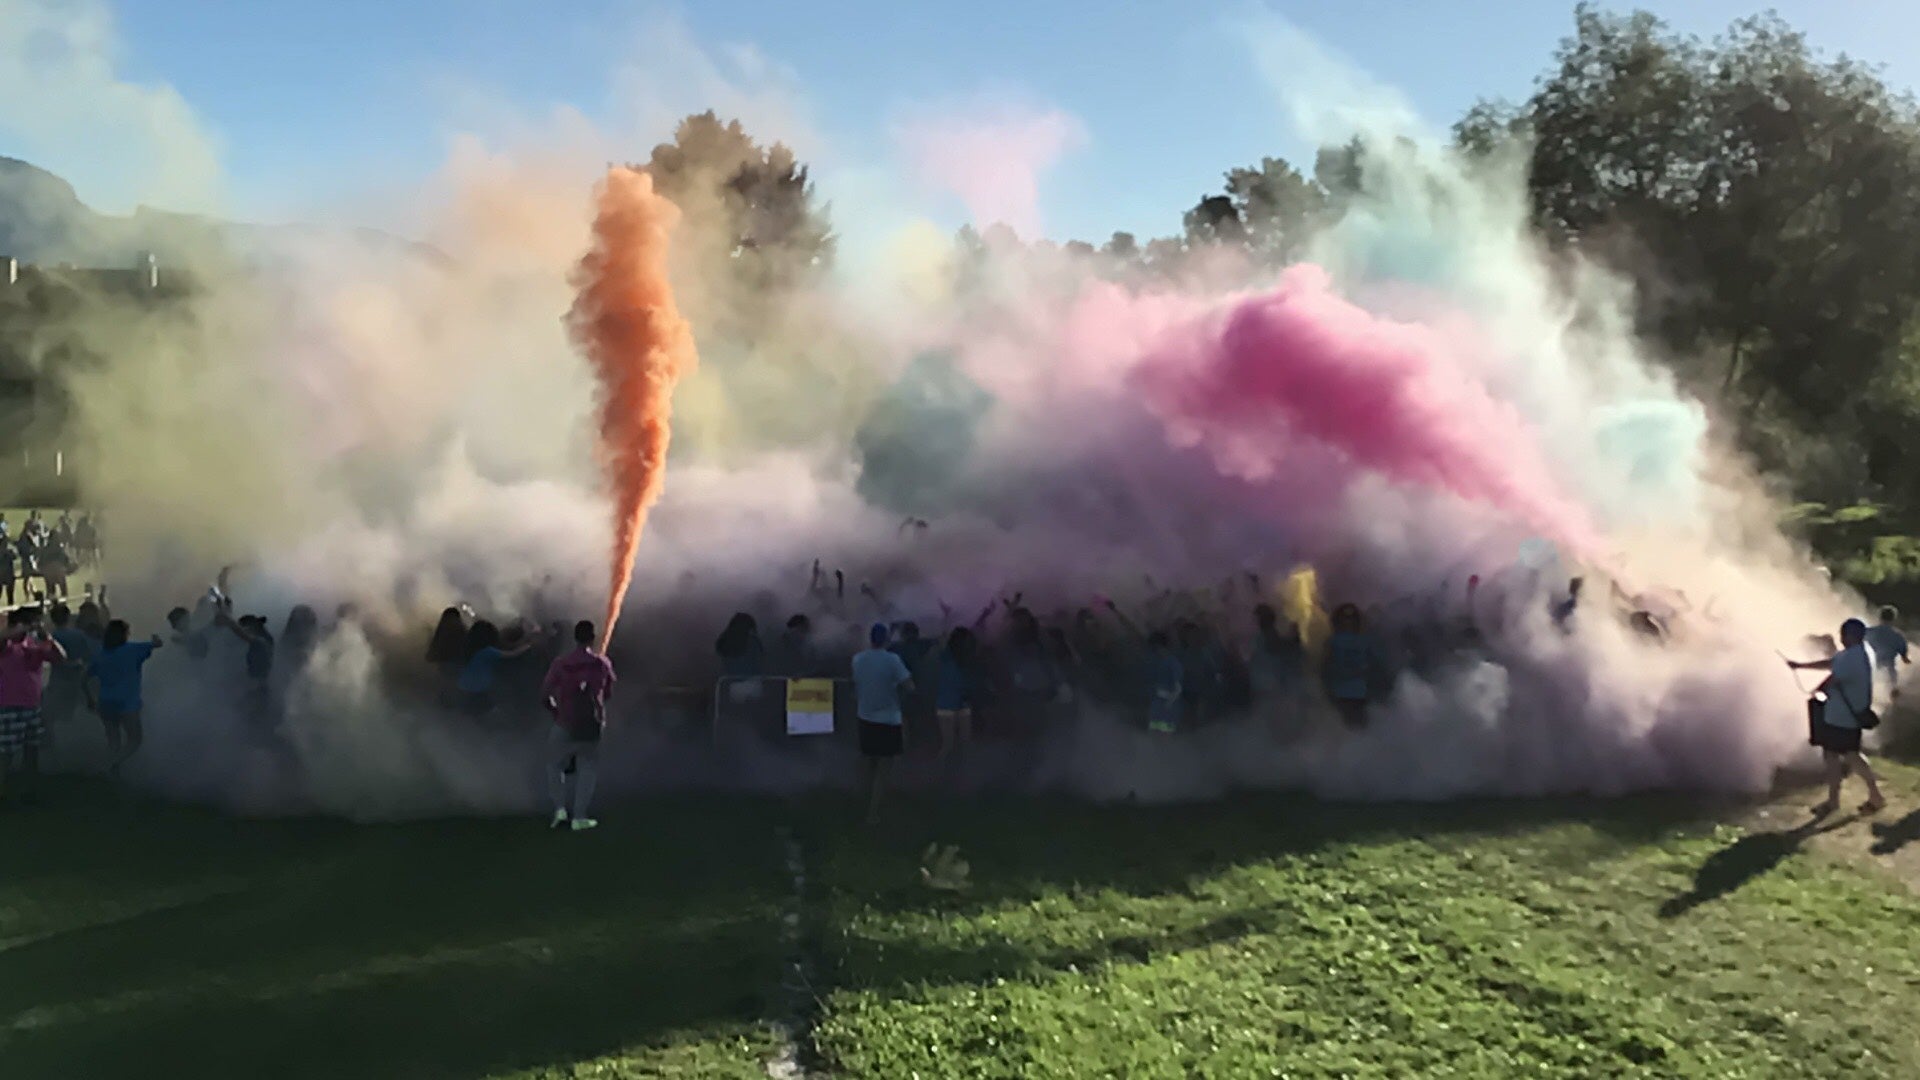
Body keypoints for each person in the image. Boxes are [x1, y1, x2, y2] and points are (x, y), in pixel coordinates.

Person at [1789, 618, 1887, 816]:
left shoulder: (1852, 657)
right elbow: (1832, 663)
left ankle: (1871, 797)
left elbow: (1833, 678)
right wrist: (1801, 666)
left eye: (1843, 635)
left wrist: (1814, 689)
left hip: (1843, 719)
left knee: (1849, 756)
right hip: (1843, 717)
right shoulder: (1861, 651)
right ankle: (1838, 800)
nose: (1841, 639)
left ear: (1850, 636)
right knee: (1837, 756)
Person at [540, 620, 616, 831]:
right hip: (592, 723)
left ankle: (560, 809)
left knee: (554, 765)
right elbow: (608, 692)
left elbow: (544, 694)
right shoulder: (602, 663)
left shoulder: (561, 664)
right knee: (587, 768)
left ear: (575, 638)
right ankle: (580, 816)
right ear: (592, 637)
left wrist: (556, 712)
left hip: (565, 721)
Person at [0, 607, 68, 803]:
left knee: (32, 751)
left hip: (32, 706)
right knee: (5, 753)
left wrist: (48, 637)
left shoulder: (34, 645)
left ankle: (28, 791)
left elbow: (61, 658)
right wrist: (19, 629)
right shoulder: (7, 644)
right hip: (8, 705)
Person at [852, 622, 912, 822]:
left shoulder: (857, 659)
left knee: (868, 765)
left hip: (865, 718)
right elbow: (909, 686)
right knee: (883, 770)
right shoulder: (893, 660)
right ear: (886, 639)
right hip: (888, 720)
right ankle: (873, 812)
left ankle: (860, 805)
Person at [86, 620, 161, 773]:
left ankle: (111, 772)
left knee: (114, 742)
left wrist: (89, 698)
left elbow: (84, 677)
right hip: (127, 704)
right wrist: (154, 639)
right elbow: (157, 644)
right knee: (134, 740)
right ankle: (112, 764)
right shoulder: (133, 649)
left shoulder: (100, 654)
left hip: (105, 702)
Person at [456, 619, 539, 716]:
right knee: (487, 711)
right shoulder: (489, 651)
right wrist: (529, 645)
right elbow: (512, 654)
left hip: (465, 685)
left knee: (471, 710)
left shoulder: (472, 648)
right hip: (478, 688)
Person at [1323, 603, 1380, 729]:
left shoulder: (1364, 642)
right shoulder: (1334, 642)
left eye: (1351, 620)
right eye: (1345, 620)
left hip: (1357, 693)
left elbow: (1373, 666)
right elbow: (1327, 667)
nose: (1348, 623)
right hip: (1343, 694)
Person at [44, 604, 95, 729]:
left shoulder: (52, 637)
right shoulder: (80, 635)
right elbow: (88, 656)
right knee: (78, 712)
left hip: (58, 681)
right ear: (68, 617)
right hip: (78, 680)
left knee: (59, 714)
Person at [934, 626, 978, 760]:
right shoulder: (965, 657)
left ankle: (942, 774)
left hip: (948, 703)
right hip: (957, 703)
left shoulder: (946, 655)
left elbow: (941, 638)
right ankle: (956, 774)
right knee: (961, 744)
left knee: (949, 745)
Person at [1866, 606, 1911, 700]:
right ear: (1893, 619)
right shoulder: (1898, 636)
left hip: (1871, 667)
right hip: (1890, 669)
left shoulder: (1869, 632)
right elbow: (1904, 657)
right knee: (1892, 690)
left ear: (1879, 617)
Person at [1144, 631, 1183, 733]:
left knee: (1165, 738)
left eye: (1154, 648)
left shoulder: (1173, 663)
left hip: (1168, 709)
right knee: (1154, 737)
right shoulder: (1156, 662)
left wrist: (1168, 703)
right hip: (1155, 708)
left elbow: (1178, 689)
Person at [714, 612, 765, 679]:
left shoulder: (724, 641)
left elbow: (723, 667)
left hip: (730, 684)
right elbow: (759, 665)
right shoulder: (753, 642)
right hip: (752, 683)